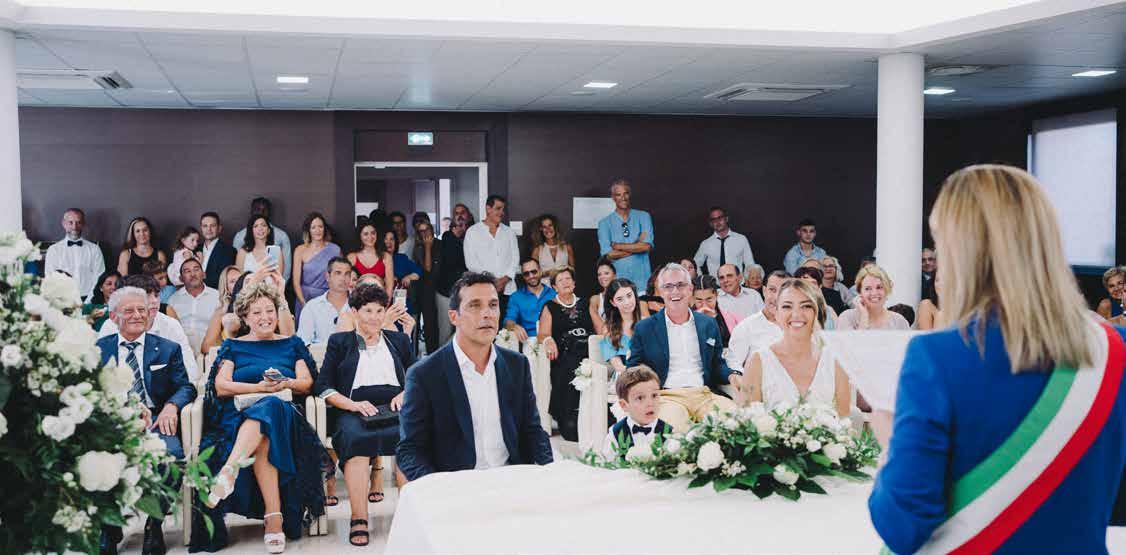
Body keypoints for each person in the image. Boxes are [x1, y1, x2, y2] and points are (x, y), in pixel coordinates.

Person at [868, 164, 1126, 554]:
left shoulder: (937, 358)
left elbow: (903, 526)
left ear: (962, 251)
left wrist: (889, 441)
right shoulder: (1116, 350)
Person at [191, 280, 329, 553]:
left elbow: (306, 383)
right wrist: (259, 388)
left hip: (286, 416)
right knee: (265, 427)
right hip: (239, 417)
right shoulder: (233, 346)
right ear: (244, 317)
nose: (265, 317)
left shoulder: (292, 344)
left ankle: (229, 472)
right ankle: (273, 520)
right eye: (256, 312)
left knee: (271, 408)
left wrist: (283, 383)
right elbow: (221, 386)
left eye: (269, 311)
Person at [397, 271, 553, 480]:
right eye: (475, 305)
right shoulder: (424, 374)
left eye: (493, 305)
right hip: (456, 485)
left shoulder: (517, 365)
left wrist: (548, 474)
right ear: (454, 316)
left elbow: (533, 431)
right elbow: (410, 450)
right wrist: (439, 489)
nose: (487, 313)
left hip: (511, 479)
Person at [313, 284, 416, 546]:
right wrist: (352, 405)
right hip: (355, 409)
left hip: (395, 408)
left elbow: (417, 376)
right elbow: (322, 385)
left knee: (409, 438)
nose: (374, 317)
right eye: (368, 311)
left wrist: (405, 393)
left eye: (380, 311)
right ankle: (359, 517)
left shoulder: (399, 340)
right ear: (355, 312)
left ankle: (409, 517)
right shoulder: (340, 342)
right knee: (355, 440)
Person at [96, 286, 196, 555]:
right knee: (95, 457)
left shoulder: (167, 349)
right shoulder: (98, 349)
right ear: (114, 317)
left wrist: (171, 407)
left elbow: (186, 387)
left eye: (142, 309)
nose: (138, 315)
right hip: (114, 421)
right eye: (129, 310)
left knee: (173, 458)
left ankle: (154, 523)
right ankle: (108, 525)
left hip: (156, 420)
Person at [626, 263, 737, 432]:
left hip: (704, 395)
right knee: (674, 432)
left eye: (681, 285)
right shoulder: (645, 328)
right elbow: (633, 369)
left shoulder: (708, 323)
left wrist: (732, 376)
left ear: (690, 289)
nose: (675, 292)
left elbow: (717, 364)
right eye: (668, 287)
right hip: (667, 397)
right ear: (660, 291)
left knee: (735, 422)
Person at [736, 278, 851, 416]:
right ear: (776, 314)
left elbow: (844, 422)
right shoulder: (758, 362)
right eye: (787, 306)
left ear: (816, 312)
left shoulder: (835, 362)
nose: (796, 314)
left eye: (806, 306)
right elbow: (746, 422)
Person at [101, 274, 200, 382]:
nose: (154, 301)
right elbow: (100, 371)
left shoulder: (171, 325)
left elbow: (190, 370)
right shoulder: (111, 325)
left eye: (156, 295)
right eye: (147, 295)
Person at [539, 266, 595, 440]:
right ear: (554, 287)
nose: (565, 282)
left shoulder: (585, 303)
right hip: (565, 355)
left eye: (568, 278)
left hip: (589, 353)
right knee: (568, 366)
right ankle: (569, 420)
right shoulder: (550, 306)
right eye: (560, 280)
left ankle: (594, 419)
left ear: (574, 283)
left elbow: (601, 328)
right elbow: (543, 333)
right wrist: (548, 340)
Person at [602, 365, 672, 461]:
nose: (650, 403)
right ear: (624, 405)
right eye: (640, 398)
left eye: (654, 395)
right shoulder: (615, 433)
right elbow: (607, 464)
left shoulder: (668, 433)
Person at [464, 195, 520, 313]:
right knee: (486, 322)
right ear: (488, 209)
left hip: (508, 289)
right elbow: (471, 263)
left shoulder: (509, 232)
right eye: (498, 208)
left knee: (508, 322)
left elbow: (515, 259)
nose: (502, 213)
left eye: (503, 209)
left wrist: (504, 280)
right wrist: (491, 280)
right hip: (483, 290)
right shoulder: (472, 232)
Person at [597, 179, 654, 289]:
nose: (623, 198)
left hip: (643, 281)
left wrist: (618, 246)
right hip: (618, 284)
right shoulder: (604, 223)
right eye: (618, 195)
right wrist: (637, 245)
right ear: (613, 198)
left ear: (630, 194)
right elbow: (608, 255)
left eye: (626, 193)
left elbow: (646, 247)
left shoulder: (644, 217)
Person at [725, 270, 787, 372]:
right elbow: (733, 363)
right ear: (764, 291)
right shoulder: (746, 327)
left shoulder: (800, 325)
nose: (777, 297)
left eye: (783, 291)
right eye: (772, 290)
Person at [44, 207, 106, 302]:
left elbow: (99, 278)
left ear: (83, 224)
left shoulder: (94, 249)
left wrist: (88, 301)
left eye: (78, 222)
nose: (74, 227)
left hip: (89, 299)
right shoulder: (53, 250)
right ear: (64, 224)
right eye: (70, 222)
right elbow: (50, 279)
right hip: (62, 300)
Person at [292, 211, 341, 320]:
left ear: (324, 229)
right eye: (313, 227)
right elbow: (296, 283)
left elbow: (340, 277)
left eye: (320, 227)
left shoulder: (335, 249)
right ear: (308, 230)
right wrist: (304, 304)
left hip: (327, 299)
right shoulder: (300, 250)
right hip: (305, 298)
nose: (317, 230)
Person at [232, 197, 293, 281]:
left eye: (264, 210)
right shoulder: (240, 239)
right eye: (257, 209)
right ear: (251, 211)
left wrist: (280, 286)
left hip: (273, 287)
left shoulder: (281, 237)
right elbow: (237, 274)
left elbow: (285, 271)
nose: (261, 212)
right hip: (248, 287)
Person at [167, 258, 220, 354]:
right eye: (187, 271)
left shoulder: (217, 296)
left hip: (209, 348)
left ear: (203, 274)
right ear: (181, 278)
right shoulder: (173, 300)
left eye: (196, 269)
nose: (193, 274)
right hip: (182, 349)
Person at [296, 256, 352, 345]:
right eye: (338, 273)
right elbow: (303, 342)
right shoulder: (312, 307)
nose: (343, 278)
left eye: (347, 274)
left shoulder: (359, 305)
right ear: (327, 276)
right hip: (319, 353)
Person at [837, 264, 910, 330]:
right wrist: (864, 316)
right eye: (868, 288)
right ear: (860, 293)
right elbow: (856, 341)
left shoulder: (899, 321)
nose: (874, 293)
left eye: (879, 287)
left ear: (887, 290)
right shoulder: (847, 318)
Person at [503, 258, 556, 343]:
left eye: (534, 272)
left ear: (540, 271)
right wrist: (514, 326)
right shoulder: (516, 297)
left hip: (553, 340)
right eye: (526, 274)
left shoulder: (554, 294)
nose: (531, 276)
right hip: (528, 341)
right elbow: (508, 320)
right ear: (523, 276)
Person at [435, 215, 469, 345]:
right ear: (453, 227)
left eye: (464, 225)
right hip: (446, 291)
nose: (463, 228)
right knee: (446, 330)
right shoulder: (449, 239)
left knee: (455, 329)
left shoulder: (459, 241)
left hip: (455, 291)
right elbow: (452, 264)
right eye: (460, 225)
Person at [600, 278, 643, 376]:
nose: (627, 302)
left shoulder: (647, 322)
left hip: (649, 373)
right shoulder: (608, 329)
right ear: (613, 303)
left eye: (629, 296)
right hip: (625, 376)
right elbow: (617, 365)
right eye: (620, 299)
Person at [693, 206, 755, 275]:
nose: (717, 222)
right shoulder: (706, 244)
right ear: (711, 223)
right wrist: (701, 279)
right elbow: (694, 264)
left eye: (720, 218)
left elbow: (750, 265)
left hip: (737, 281)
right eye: (714, 220)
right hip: (715, 282)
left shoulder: (741, 239)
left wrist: (746, 280)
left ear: (726, 219)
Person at [200, 265, 246, 355]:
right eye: (232, 281)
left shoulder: (259, 306)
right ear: (226, 288)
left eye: (240, 279)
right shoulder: (221, 312)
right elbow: (206, 347)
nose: (238, 284)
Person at [412, 219, 442, 354]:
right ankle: (429, 353)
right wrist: (428, 247)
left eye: (427, 230)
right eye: (421, 231)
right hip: (424, 290)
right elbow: (428, 268)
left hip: (440, 287)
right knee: (427, 323)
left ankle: (438, 352)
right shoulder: (419, 248)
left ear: (432, 230)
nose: (425, 233)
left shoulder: (440, 244)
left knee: (439, 324)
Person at [693, 274, 741, 347]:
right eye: (699, 300)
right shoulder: (687, 319)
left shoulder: (730, 316)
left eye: (709, 299)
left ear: (716, 295)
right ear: (693, 298)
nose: (704, 305)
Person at [347, 222, 395, 294]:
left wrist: (386, 301)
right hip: (357, 299)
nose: (370, 237)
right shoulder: (352, 257)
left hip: (380, 298)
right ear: (360, 236)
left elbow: (389, 286)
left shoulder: (386, 256)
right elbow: (346, 283)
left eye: (373, 233)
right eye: (366, 234)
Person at [530, 214, 574, 282]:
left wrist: (564, 271)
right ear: (541, 229)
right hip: (545, 286)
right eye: (544, 227)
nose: (548, 229)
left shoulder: (567, 247)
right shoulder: (537, 250)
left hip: (564, 285)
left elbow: (573, 270)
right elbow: (533, 274)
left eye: (550, 225)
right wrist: (548, 273)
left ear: (555, 227)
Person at [200, 212, 237, 290]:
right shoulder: (195, 249)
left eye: (213, 226)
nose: (208, 229)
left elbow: (222, 279)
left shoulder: (229, 251)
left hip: (215, 293)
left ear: (219, 228)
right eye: (205, 226)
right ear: (201, 228)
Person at [588, 256, 617, 335]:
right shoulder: (595, 299)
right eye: (599, 274)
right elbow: (598, 327)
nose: (602, 277)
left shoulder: (623, 296)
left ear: (614, 275)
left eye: (606, 273)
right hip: (604, 336)